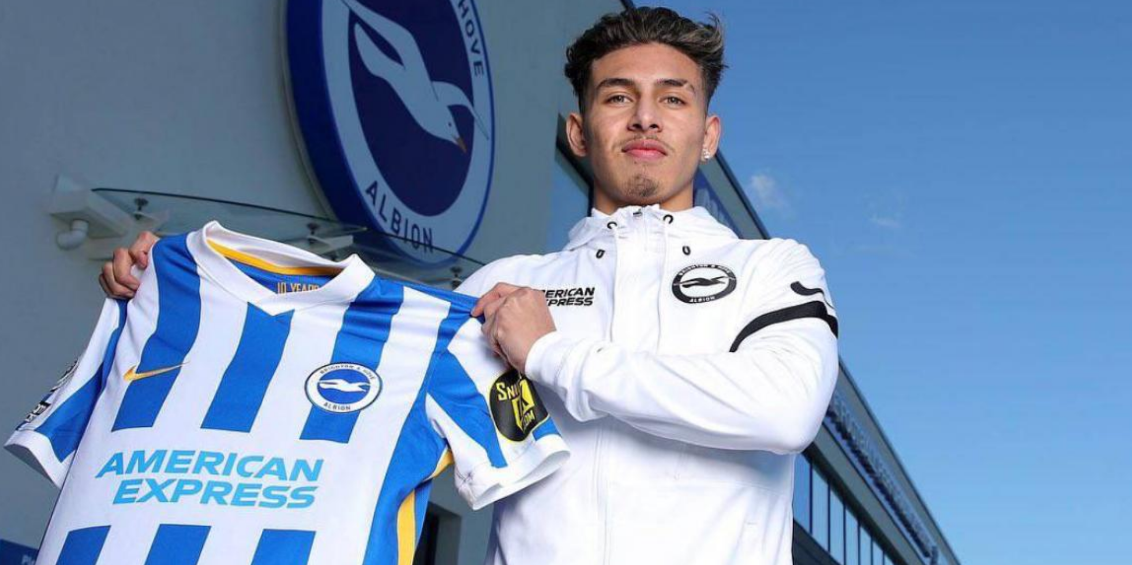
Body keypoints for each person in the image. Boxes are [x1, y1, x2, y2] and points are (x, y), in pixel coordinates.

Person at [100, 7, 839, 565]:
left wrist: (550, 355)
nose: (645, 117)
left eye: (673, 99)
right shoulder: (504, 286)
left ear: (708, 135)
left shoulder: (772, 268)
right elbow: (335, 373)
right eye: (618, 97)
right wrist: (193, 293)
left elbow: (782, 411)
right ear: (578, 132)